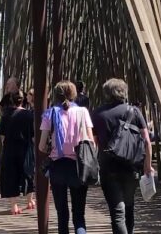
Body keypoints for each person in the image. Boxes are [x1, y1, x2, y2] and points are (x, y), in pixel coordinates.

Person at [91, 78, 154, 234]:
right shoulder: (134, 111)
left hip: (108, 168)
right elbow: (146, 141)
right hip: (131, 167)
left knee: (117, 213)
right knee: (129, 207)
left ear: (106, 94)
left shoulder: (98, 114)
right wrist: (147, 165)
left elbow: (94, 142)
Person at [39, 81, 94, 234]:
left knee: (62, 214)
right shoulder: (83, 111)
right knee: (79, 215)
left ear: (55, 95)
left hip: (58, 167)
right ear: (74, 94)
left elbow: (41, 146)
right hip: (79, 166)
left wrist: (53, 146)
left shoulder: (50, 113)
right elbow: (90, 141)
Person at [0, 90, 35, 214]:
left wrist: (5, 145)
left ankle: (14, 206)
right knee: (28, 173)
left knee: (11, 175)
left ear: (11, 100)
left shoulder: (5, 114)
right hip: (25, 148)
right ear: (23, 100)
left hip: (10, 148)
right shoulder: (29, 115)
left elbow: (2, 135)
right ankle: (30, 201)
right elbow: (33, 135)